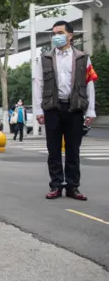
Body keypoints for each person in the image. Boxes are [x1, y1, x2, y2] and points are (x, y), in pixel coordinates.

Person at [35, 20, 97, 201]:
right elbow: (38, 84)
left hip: (74, 108)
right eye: (53, 33)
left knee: (73, 151)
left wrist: (91, 110)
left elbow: (89, 83)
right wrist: (39, 109)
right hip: (53, 108)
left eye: (59, 33)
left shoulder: (82, 58)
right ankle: (56, 185)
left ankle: (72, 187)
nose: (56, 37)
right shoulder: (44, 58)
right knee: (53, 150)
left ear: (70, 35)